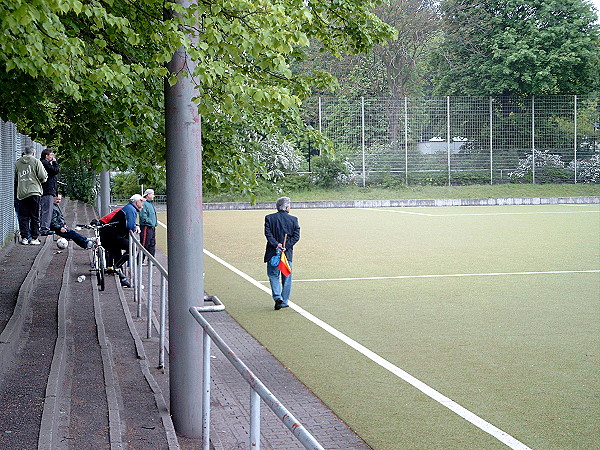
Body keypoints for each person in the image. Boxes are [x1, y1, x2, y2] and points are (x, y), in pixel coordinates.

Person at [100, 194, 145, 287]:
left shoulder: (129, 208)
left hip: (111, 234)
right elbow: (130, 226)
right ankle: (116, 267)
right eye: (141, 201)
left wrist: (136, 226)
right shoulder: (131, 209)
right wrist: (135, 227)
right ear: (136, 202)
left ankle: (122, 279)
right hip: (113, 235)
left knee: (118, 255)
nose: (143, 202)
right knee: (132, 248)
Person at [263, 197, 300, 310]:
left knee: (273, 275)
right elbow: (296, 236)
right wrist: (286, 246)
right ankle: (284, 301)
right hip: (286, 253)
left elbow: (268, 234)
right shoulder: (293, 219)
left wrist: (276, 244)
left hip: (273, 252)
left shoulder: (269, 218)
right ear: (287, 207)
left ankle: (277, 297)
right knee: (287, 276)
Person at [14, 145, 47, 245]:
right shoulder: (36, 161)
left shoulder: (18, 163)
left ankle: (24, 238)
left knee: (23, 216)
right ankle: (34, 238)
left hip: (22, 193)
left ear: (24, 152)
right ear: (33, 153)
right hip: (34, 192)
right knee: (35, 216)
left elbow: (16, 177)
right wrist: (42, 180)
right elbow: (42, 176)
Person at [39, 148, 60, 235]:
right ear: (46, 156)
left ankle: (45, 227)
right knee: (47, 210)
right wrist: (55, 162)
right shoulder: (45, 163)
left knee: (47, 209)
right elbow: (55, 170)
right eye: (51, 155)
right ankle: (44, 228)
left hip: (48, 190)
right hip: (47, 190)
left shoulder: (44, 163)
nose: (52, 157)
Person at [138, 188, 157, 261]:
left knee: (152, 244)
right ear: (148, 195)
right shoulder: (144, 203)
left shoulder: (149, 203)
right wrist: (150, 222)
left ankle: (151, 259)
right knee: (145, 244)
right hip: (146, 227)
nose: (153, 196)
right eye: (152, 194)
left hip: (151, 227)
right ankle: (140, 260)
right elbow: (143, 216)